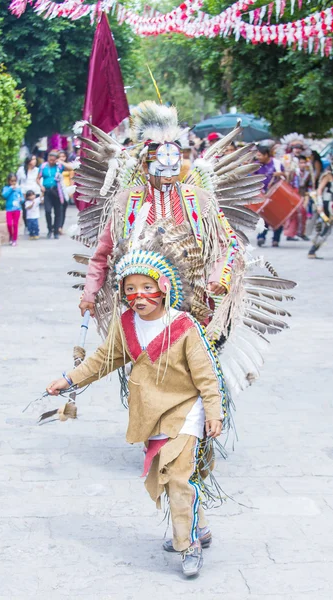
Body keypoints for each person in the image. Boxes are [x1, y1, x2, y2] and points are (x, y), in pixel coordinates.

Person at [46, 231, 227, 578]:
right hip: (150, 413)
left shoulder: (184, 326)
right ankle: (198, 527)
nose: (137, 296)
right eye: (130, 289)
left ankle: (187, 545)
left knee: (176, 476)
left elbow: (206, 377)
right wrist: (68, 380)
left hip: (185, 411)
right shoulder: (125, 323)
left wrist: (213, 412)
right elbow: (103, 359)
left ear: (164, 287)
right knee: (174, 478)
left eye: (146, 287)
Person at [74, 102, 262, 340]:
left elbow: (229, 243)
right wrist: (89, 294)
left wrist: (218, 277)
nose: (168, 174)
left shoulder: (200, 199)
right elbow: (102, 254)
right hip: (141, 307)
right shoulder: (125, 202)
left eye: (174, 167)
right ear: (144, 166)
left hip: (192, 305)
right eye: (160, 167)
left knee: (192, 369)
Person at [36, 151, 73, 239]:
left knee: (58, 212)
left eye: (53, 160)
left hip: (57, 191)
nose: (51, 161)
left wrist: (61, 161)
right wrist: (41, 186)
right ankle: (50, 229)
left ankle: (56, 231)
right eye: (50, 159)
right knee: (48, 211)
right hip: (47, 191)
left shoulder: (59, 166)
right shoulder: (43, 166)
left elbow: (71, 168)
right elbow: (37, 178)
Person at [255, 144, 285, 248]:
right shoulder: (256, 165)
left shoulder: (277, 164)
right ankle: (261, 237)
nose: (257, 157)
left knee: (278, 217)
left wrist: (281, 174)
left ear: (266, 155)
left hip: (276, 195)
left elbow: (285, 178)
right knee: (264, 217)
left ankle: (276, 239)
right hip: (263, 195)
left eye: (259, 155)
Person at [308, 166, 333, 259]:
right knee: (326, 229)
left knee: (327, 229)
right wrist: (320, 205)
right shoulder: (328, 175)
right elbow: (319, 190)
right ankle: (312, 250)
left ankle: (313, 250)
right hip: (328, 205)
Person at [17, 155, 41, 233]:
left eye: (35, 159)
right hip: (24, 192)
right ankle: (27, 225)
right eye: (32, 159)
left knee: (34, 209)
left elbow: (40, 181)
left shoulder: (38, 170)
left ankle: (34, 226)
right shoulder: (21, 170)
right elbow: (18, 181)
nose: (34, 161)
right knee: (25, 210)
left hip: (35, 192)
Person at [2, 173, 24, 246]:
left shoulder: (18, 189)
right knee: (9, 224)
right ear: (8, 181)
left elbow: (22, 198)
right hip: (9, 209)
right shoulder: (6, 188)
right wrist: (10, 189)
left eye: (15, 181)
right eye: (11, 181)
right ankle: (10, 236)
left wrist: (22, 200)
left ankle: (15, 239)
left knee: (15, 224)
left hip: (17, 209)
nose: (13, 183)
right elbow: (4, 195)